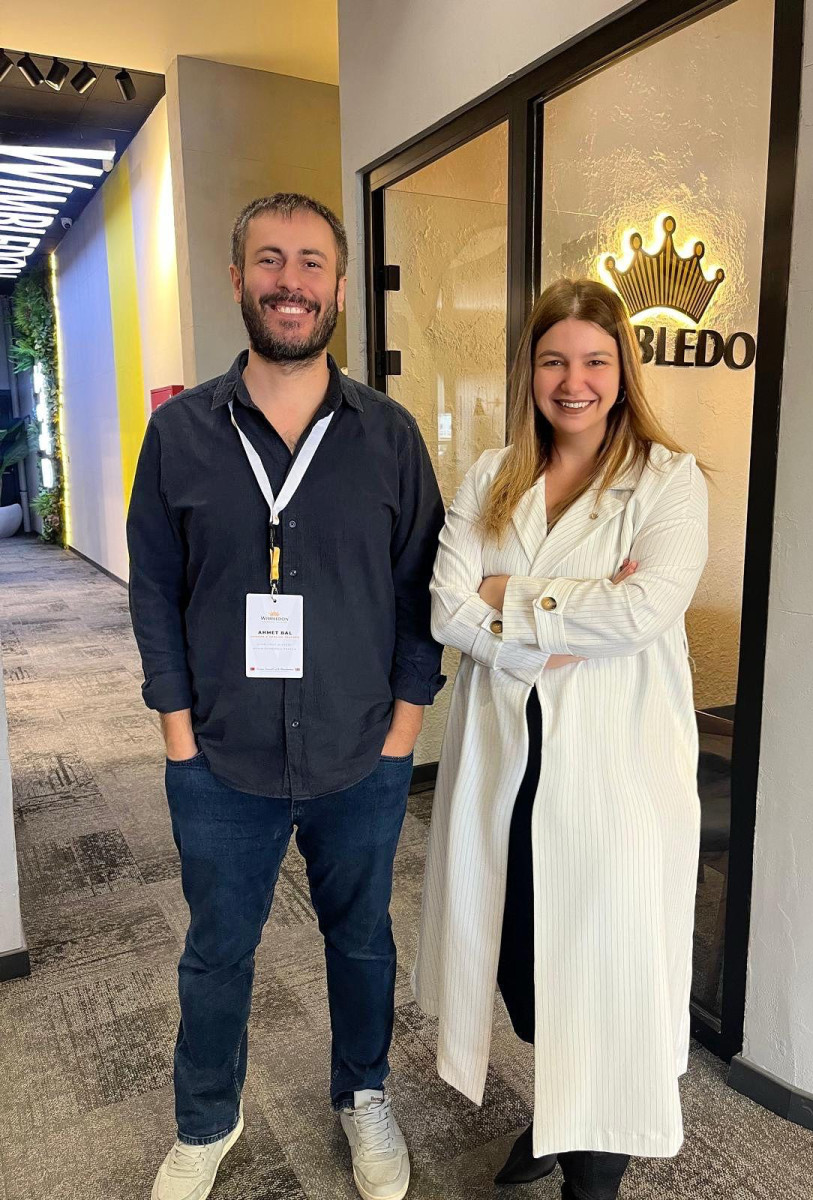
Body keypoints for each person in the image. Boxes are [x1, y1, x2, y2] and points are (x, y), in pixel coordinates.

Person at [127, 192, 445, 1200]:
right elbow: (153, 590)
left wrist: (404, 731)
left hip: (362, 753)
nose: (291, 282)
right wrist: (179, 737)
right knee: (217, 952)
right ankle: (206, 1122)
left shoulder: (389, 437)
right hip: (221, 760)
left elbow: (422, 592)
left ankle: (363, 1094)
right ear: (238, 280)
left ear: (340, 289)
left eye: (312, 263)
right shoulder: (180, 434)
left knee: (362, 941)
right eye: (270, 260)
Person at [414, 278, 709, 1199]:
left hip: (615, 771)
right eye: (553, 361)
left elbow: (643, 611)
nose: (573, 381)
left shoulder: (668, 481)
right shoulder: (493, 475)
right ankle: (560, 1106)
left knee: (604, 970)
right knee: (521, 961)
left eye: (593, 361)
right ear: (530, 371)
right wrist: (557, 625)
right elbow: (444, 608)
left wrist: (507, 596)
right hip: (508, 763)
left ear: (622, 371)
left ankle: (592, 1171)